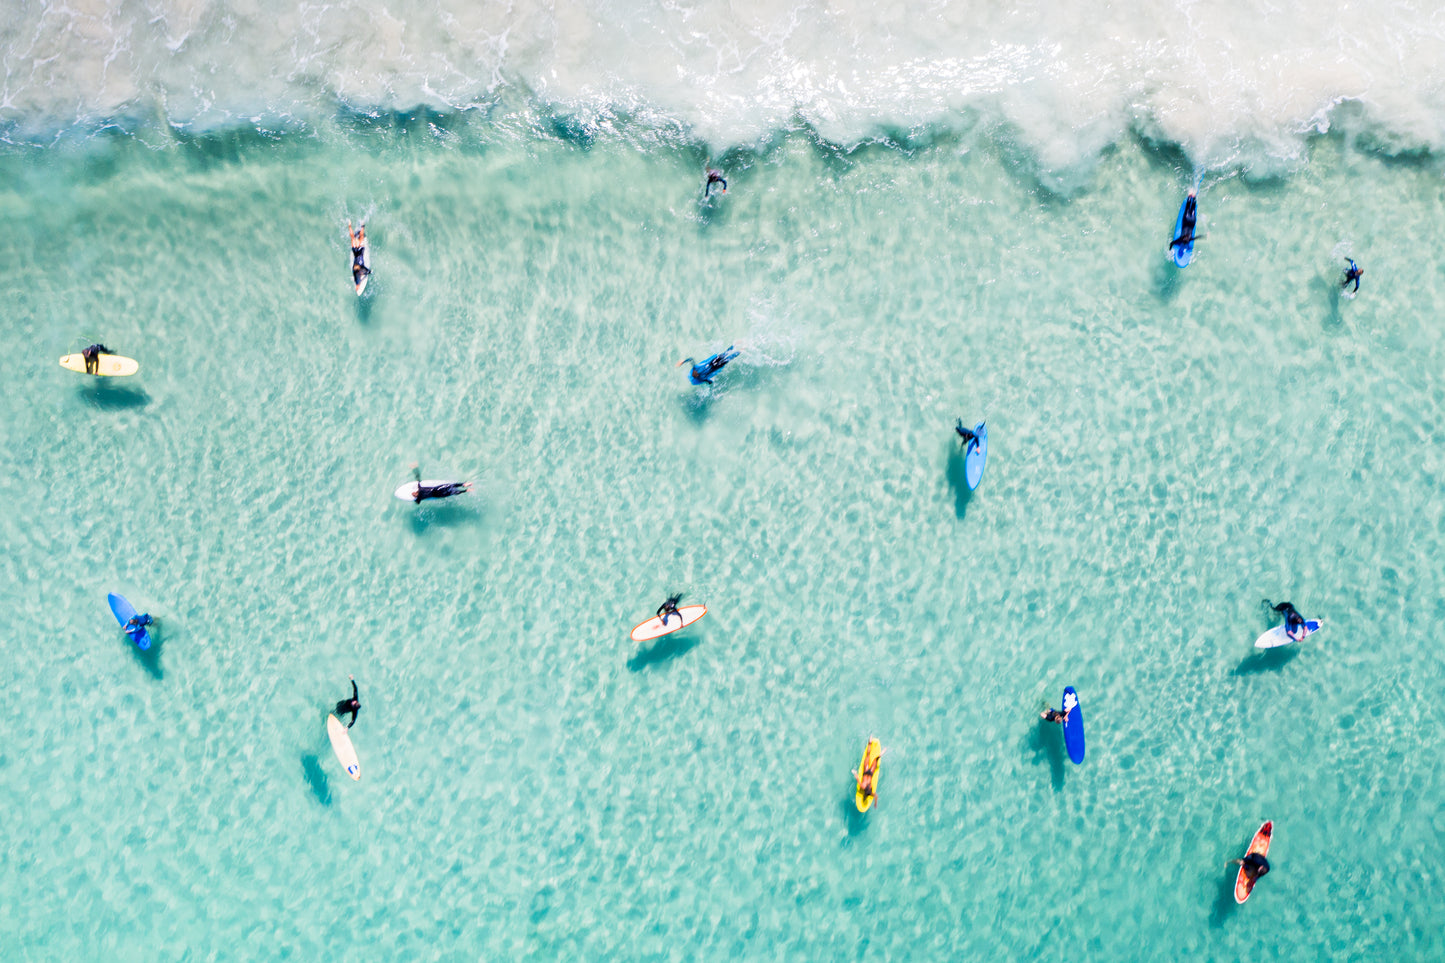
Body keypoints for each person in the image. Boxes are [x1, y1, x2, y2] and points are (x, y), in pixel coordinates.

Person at [348, 220, 371, 286]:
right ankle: (357, 226)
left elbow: (360, 269)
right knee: (357, 238)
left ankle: (358, 226)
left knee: (355, 238)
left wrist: (369, 271)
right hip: (358, 251)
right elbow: (363, 269)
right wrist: (368, 272)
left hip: (357, 251)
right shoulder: (357, 267)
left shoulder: (356, 268)